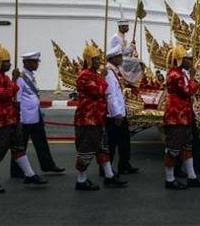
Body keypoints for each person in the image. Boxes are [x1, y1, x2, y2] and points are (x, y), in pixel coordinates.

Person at [0, 44, 47, 193]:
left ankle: (29, 174)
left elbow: (11, 92)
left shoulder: (5, 78)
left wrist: (11, 82)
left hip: (11, 118)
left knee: (18, 147)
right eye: (6, 62)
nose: (10, 64)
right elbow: (5, 95)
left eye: (9, 61)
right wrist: (13, 81)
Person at [74, 43, 126, 191]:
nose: (98, 62)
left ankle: (109, 176)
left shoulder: (96, 75)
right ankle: (81, 180)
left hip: (98, 117)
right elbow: (98, 91)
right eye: (95, 60)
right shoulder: (84, 75)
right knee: (87, 149)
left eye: (98, 59)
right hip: (88, 118)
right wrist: (102, 79)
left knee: (103, 148)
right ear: (89, 60)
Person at [10, 51, 64, 178]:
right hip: (25, 118)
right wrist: (18, 119)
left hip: (35, 116)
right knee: (20, 145)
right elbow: (16, 100)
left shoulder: (30, 76)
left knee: (41, 142)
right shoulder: (20, 78)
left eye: (37, 61)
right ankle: (16, 171)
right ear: (26, 63)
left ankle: (48, 165)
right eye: (34, 61)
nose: (37, 64)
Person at [163, 45, 200, 190]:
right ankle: (169, 179)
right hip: (176, 115)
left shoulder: (181, 73)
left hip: (184, 114)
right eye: (188, 59)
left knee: (187, 146)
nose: (191, 62)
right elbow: (188, 90)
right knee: (174, 148)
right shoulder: (175, 75)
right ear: (181, 60)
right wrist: (193, 79)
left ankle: (192, 177)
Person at [104, 45, 138, 176]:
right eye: (119, 57)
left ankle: (124, 164)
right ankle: (106, 169)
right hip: (114, 115)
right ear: (112, 59)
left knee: (124, 141)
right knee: (112, 143)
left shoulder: (114, 71)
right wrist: (116, 113)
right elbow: (110, 95)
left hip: (119, 112)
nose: (121, 59)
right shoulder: (108, 73)